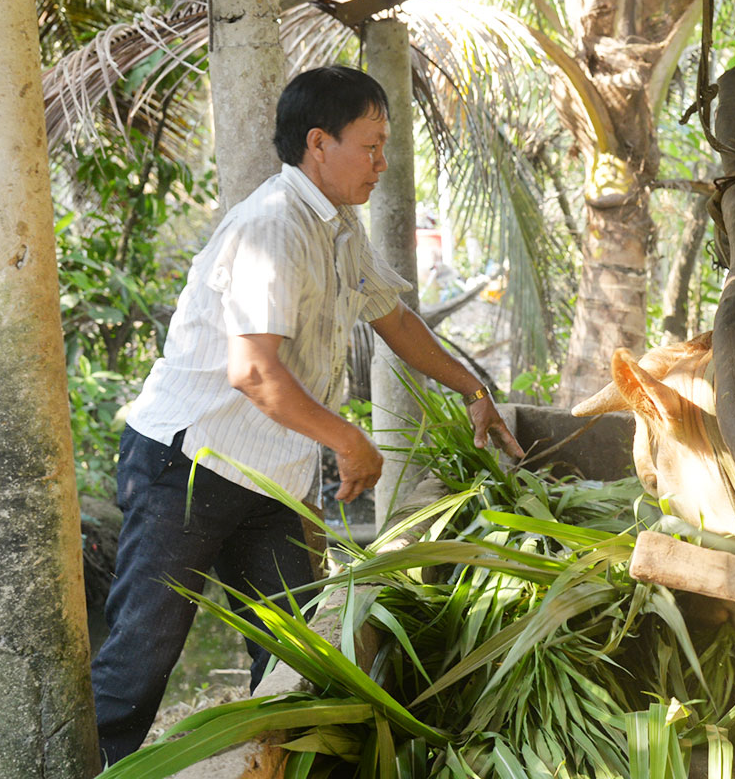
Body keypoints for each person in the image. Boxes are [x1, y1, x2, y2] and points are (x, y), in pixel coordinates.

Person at [90, 66, 525, 764]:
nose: (383, 163)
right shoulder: (272, 227)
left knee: (300, 649)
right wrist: (349, 441)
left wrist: (472, 388)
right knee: (143, 656)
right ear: (319, 144)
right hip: (191, 463)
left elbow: (394, 318)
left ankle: (272, 768)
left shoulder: (338, 227)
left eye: (386, 148)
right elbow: (253, 371)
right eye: (372, 146)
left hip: (267, 473)